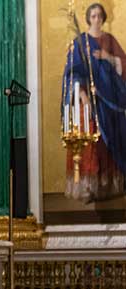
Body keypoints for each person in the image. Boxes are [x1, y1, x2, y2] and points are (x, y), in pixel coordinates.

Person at [63, 2, 126, 203]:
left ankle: (108, 185)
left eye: (100, 15)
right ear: (88, 18)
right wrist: (82, 94)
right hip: (89, 101)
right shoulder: (80, 42)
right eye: (93, 16)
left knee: (110, 142)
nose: (97, 19)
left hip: (110, 101)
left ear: (103, 18)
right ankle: (88, 187)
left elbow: (123, 65)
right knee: (91, 142)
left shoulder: (109, 40)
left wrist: (108, 57)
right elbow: (73, 72)